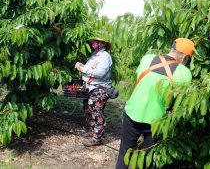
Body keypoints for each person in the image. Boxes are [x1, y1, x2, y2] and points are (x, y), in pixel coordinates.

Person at [116, 38, 195, 168]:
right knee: (149, 158)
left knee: (124, 153)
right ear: (185, 56)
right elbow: (178, 99)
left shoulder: (147, 58)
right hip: (157, 121)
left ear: (172, 48)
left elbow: (140, 79)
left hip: (132, 113)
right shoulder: (184, 72)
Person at [75, 37, 113, 146]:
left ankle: (97, 138)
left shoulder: (105, 56)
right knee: (88, 110)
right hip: (90, 87)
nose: (94, 43)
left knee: (96, 113)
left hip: (99, 89)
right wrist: (81, 65)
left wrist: (84, 69)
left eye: (98, 41)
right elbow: (90, 69)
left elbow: (100, 73)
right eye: (93, 41)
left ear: (103, 43)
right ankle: (95, 132)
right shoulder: (95, 55)